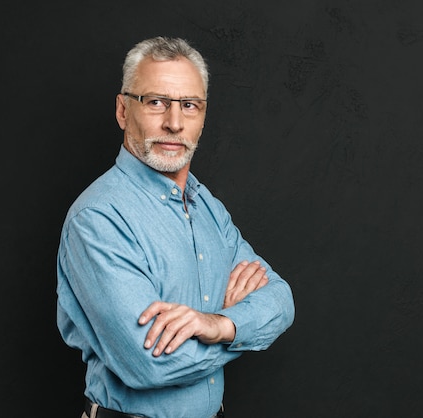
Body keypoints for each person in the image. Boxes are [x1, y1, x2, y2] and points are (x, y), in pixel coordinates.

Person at [56, 36, 295, 418]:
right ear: (122, 110)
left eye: (189, 105)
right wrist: (236, 330)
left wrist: (217, 324)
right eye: (155, 102)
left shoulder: (208, 209)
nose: (174, 122)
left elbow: (281, 300)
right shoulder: (98, 218)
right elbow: (147, 363)